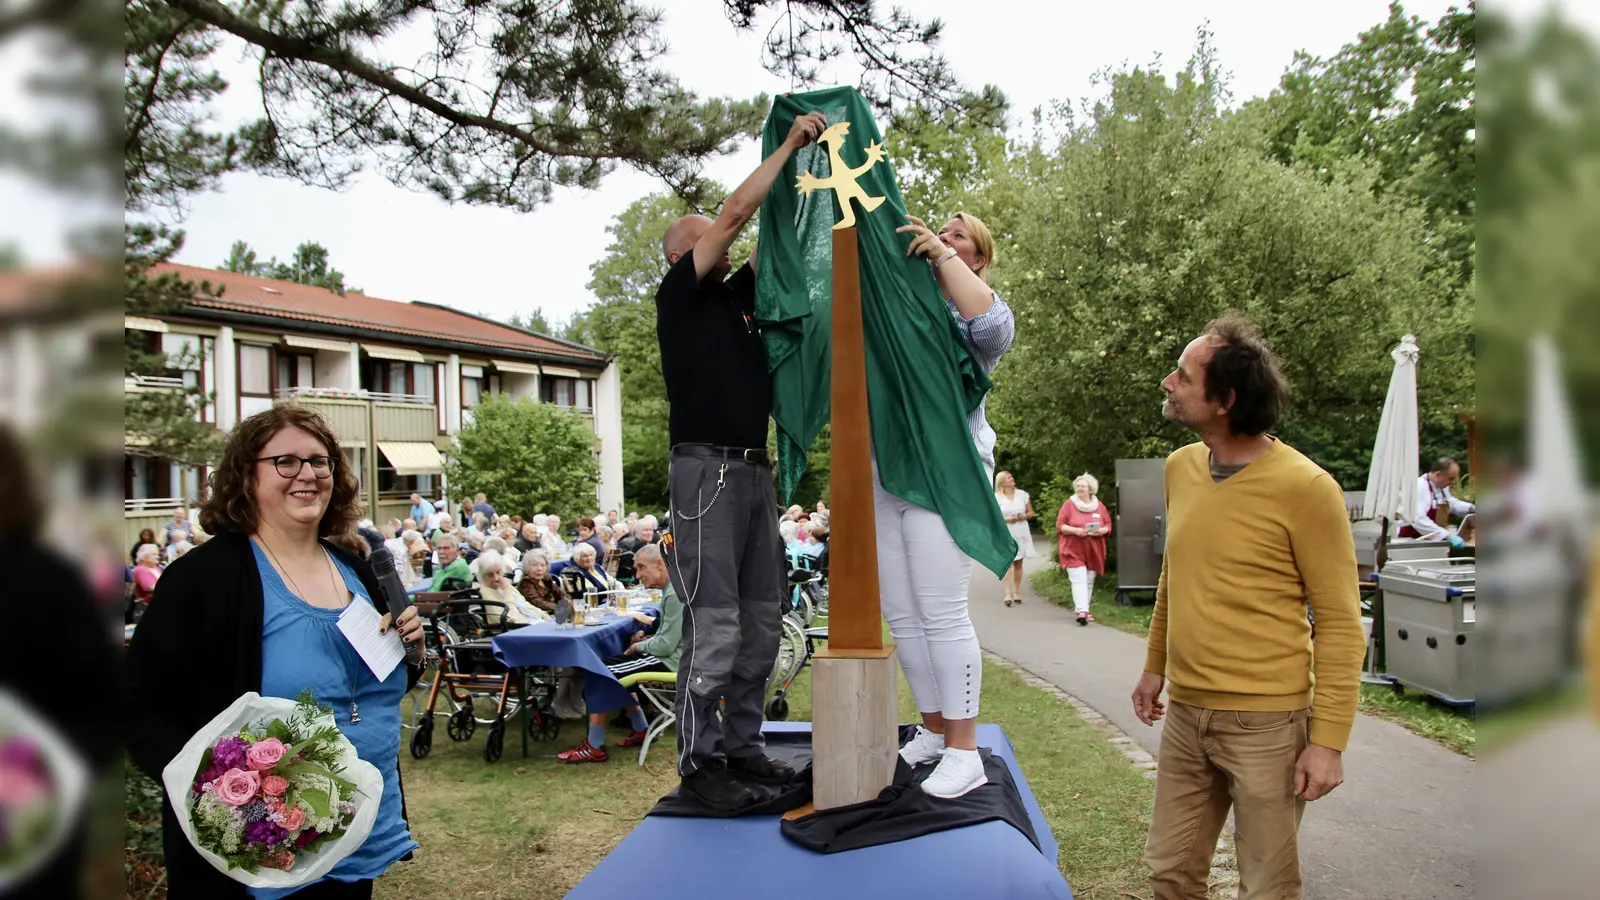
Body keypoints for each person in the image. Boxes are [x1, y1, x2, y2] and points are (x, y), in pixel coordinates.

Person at [126, 405, 425, 899]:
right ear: (247, 475)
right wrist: (216, 796)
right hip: (264, 852)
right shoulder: (206, 579)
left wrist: (409, 649)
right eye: (286, 461)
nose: (307, 474)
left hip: (358, 834)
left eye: (320, 461)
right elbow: (139, 706)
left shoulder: (355, 567)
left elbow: (376, 687)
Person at [1130, 313, 1364, 900]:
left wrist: (1328, 740)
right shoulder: (1181, 468)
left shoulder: (1308, 489)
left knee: (1267, 887)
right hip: (1186, 715)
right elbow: (1173, 577)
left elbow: (1339, 623)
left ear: (1225, 400)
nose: (1167, 382)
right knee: (1171, 872)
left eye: (1182, 376)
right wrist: (1155, 664)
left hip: (1268, 725)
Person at [655, 109, 826, 810]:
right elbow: (735, 214)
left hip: (755, 473)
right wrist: (786, 143)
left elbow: (774, 240)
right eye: (705, 235)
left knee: (763, 616)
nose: (722, 236)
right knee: (716, 621)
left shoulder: (734, 301)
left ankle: (745, 749)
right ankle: (701, 765)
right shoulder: (681, 297)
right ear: (680, 253)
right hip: (706, 473)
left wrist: (814, 172)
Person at [881, 210, 1015, 799]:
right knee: (904, 613)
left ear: (976, 259)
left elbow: (993, 330)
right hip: (888, 473)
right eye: (943, 229)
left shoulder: (978, 315)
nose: (943, 234)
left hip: (948, 474)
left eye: (959, 234)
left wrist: (941, 254)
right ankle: (934, 731)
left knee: (941, 612)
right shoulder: (902, 305)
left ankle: (965, 751)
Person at [557, 544, 685, 763]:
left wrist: (639, 646)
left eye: (641, 568)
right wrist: (647, 638)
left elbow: (665, 646)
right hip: (673, 657)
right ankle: (640, 727)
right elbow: (669, 635)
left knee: (599, 672)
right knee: (610, 665)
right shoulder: (673, 589)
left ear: (661, 565)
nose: (637, 575)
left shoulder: (674, 594)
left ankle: (594, 746)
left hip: (673, 663)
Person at [1055, 473, 1112, 625]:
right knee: (1078, 578)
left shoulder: (1099, 506)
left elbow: (1108, 524)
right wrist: (1076, 531)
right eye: (1078, 486)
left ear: (1090, 489)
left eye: (1083, 486)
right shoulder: (1069, 504)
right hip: (1072, 548)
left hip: (1094, 549)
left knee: (1088, 580)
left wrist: (1102, 531)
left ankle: (1084, 609)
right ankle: (1082, 611)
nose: (1079, 489)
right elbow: (1060, 525)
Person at [1398, 456, 1475, 543]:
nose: (1452, 483)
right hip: (1412, 541)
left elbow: (1451, 503)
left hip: (1431, 541)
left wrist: (1471, 508)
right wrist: (1446, 535)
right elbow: (1417, 519)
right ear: (1438, 475)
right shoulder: (1420, 486)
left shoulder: (1442, 487)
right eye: (1451, 478)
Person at [994, 471, 1036, 607]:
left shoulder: (1022, 495)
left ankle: (1017, 591)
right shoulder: (997, 497)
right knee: (1008, 562)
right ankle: (1007, 592)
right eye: (1009, 477)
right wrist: (1007, 519)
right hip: (1006, 531)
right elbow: (994, 516)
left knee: (1018, 562)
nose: (1012, 479)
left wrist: (1023, 516)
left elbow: (1031, 512)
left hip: (1021, 529)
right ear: (1002, 482)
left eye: (1012, 477)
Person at [473, 549, 544, 625]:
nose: (496, 578)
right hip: (517, 630)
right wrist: (507, 592)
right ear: (482, 576)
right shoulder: (485, 593)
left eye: (498, 572)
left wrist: (543, 614)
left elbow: (525, 605)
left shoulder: (504, 585)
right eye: (490, 575)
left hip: (532, 622)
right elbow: (511, 619)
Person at [553, 541, 621, 598]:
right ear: (578, 560)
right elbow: (590, 593)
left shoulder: (597, 567)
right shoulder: (578, 574)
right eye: (585, 556)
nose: (589, 558)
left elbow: (613, 582)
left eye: (591, 555)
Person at [518, 549, 567, 615]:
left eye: (542, 565)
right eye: (534, 565)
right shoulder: (525, 583)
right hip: (540, 616)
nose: (539, 569)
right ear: (527, 567)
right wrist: (558, 608)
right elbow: (536, 602)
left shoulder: (546, 579)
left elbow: (561, 594)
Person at [131, 542, 163, 606]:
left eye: (157, 554)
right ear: (144, 557)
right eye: (154, 554)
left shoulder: (156, 568)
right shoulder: (141, 570)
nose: (157, 557)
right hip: (149, 605)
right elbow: (150, 588)